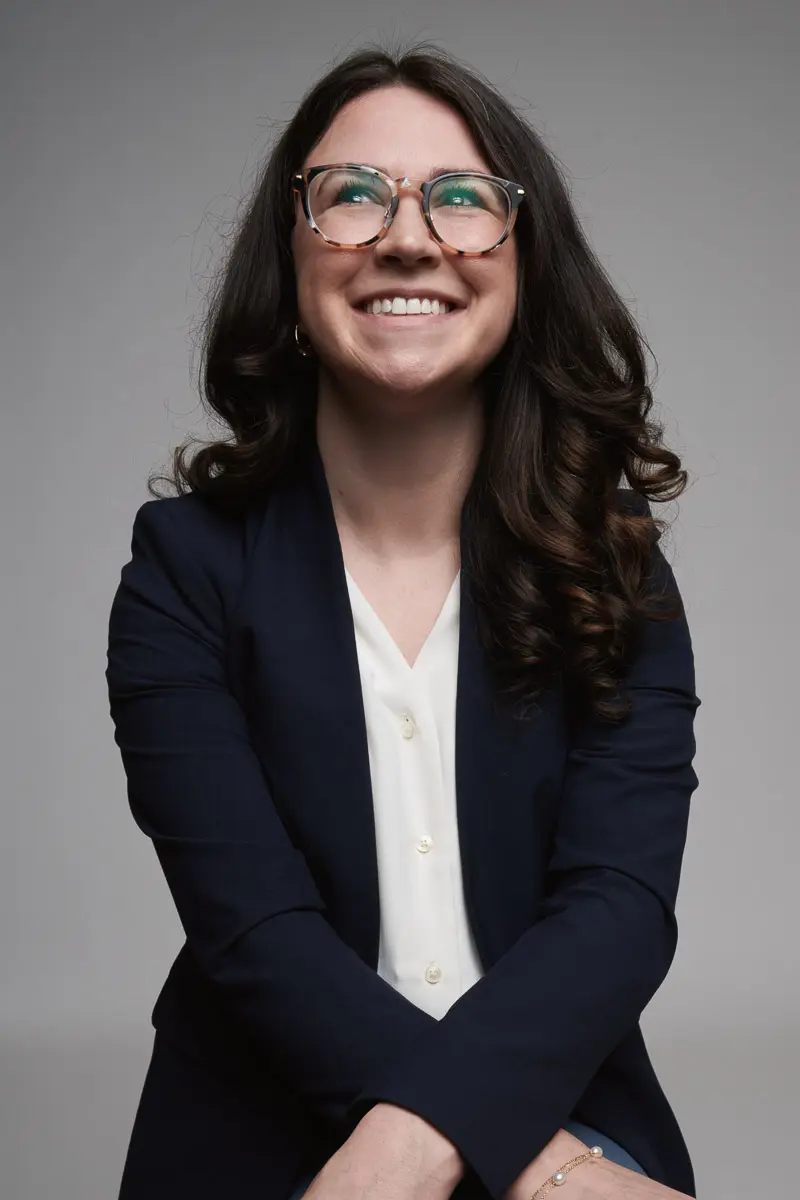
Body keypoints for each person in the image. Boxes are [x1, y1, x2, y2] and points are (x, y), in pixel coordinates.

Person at [105, 41, 701, 1200]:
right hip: (268, 1121)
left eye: (463, 199)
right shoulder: (182, 568)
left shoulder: (611, 557)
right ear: (290, 259)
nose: (408, 235)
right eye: (352, 196)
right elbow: (253, 933)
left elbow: (617, 909)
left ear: (523, 264)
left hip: (564, 1092)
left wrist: (439, 1142)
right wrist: (527, 1167)